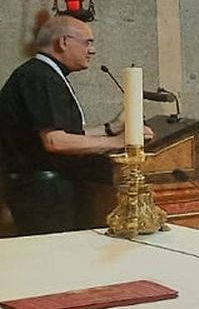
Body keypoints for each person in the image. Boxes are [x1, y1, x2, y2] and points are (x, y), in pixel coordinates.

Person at [0, 16, 151, 235]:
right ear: (63, 42)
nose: (92, 50)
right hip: (44, 193)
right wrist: (119, 142)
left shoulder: (42, 74)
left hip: (46, 189)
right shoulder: (40, 78)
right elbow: (55, 141)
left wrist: (111, 128)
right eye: (87, 42)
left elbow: (64, 133)